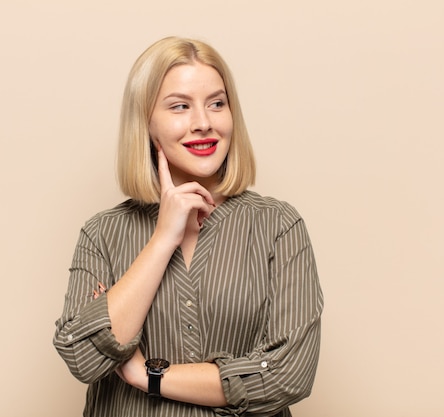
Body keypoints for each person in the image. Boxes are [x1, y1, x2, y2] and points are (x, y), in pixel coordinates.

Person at [53, 36, 323, 416]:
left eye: (217, 103)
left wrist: (147, 375)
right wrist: (163, 238)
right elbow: (83, 358)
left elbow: (288, 375)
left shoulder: (278, 226)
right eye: (180, 107)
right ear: (146, 124)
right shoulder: (103, 234)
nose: (203, 123)